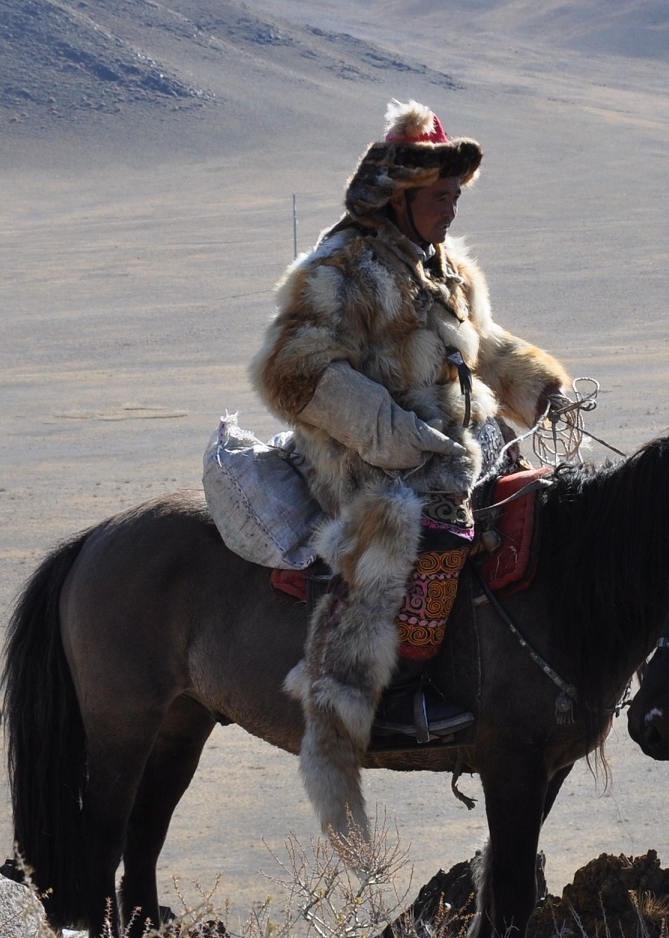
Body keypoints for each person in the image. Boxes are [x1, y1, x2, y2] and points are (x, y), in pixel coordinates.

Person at [249, 99, 573, 835]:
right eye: (439, 197)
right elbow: (293, 372)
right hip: (362, 455)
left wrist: (540, 389)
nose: (451, 209)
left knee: (536, 510)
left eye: (455, 196)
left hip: (450, 441)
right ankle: (391, 696)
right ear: (398, 197)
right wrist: (397, 432)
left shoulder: (446, 268)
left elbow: (480, 345)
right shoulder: (336, 269)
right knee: (421, 529)